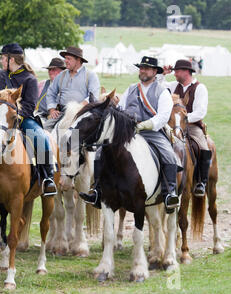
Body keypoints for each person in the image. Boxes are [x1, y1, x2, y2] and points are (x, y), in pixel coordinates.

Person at [80, 56, 180, 213]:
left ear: (155, 72)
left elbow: (162, 117)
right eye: (141, 68)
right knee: (101, 151)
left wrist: (145, 124)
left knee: (168, 154)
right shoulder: (132, 88)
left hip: (152, 132)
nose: (143, 71)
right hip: (129, 132)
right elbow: (120, 108)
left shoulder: (162, 92)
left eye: (147, 68)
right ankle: (97, 190)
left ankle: (169, 193)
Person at [0, 43, 57, 201]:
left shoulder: (29, 79)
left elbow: (29, 105)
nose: (1, 61)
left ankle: (48, 179)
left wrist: (16, 117)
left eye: (3, 58)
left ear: (11, 59)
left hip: (23, 119)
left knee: (42, 139)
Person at [160, 59, 211, 197]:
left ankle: (201, 182)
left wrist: (184, 119)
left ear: (186, 72)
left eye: (177, 71)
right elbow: (158, 87)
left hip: (192, 125)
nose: (175, 74)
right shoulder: (172, 85)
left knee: (203, 146)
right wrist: (163, 74)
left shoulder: (200, 88)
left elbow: (200, 112)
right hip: (172, 125)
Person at [44, 46, 100, 130]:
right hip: (62, 113)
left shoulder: (90, 75)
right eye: (65, 58)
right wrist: (52, 109)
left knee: (72, 137)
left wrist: (77, 108)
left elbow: (94, 96)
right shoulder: (61, 75)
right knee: (44, 129)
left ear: (78, 60)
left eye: (68, 59)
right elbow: (51, 92)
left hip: (81, 114)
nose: (65, 61)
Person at [34, 57, 66, 122]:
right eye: (49, 69)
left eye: (54, 69)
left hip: (61, 119)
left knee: (74, 131)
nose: (50, 72)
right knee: (29, 129)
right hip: (40, 117)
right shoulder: (41, 85)